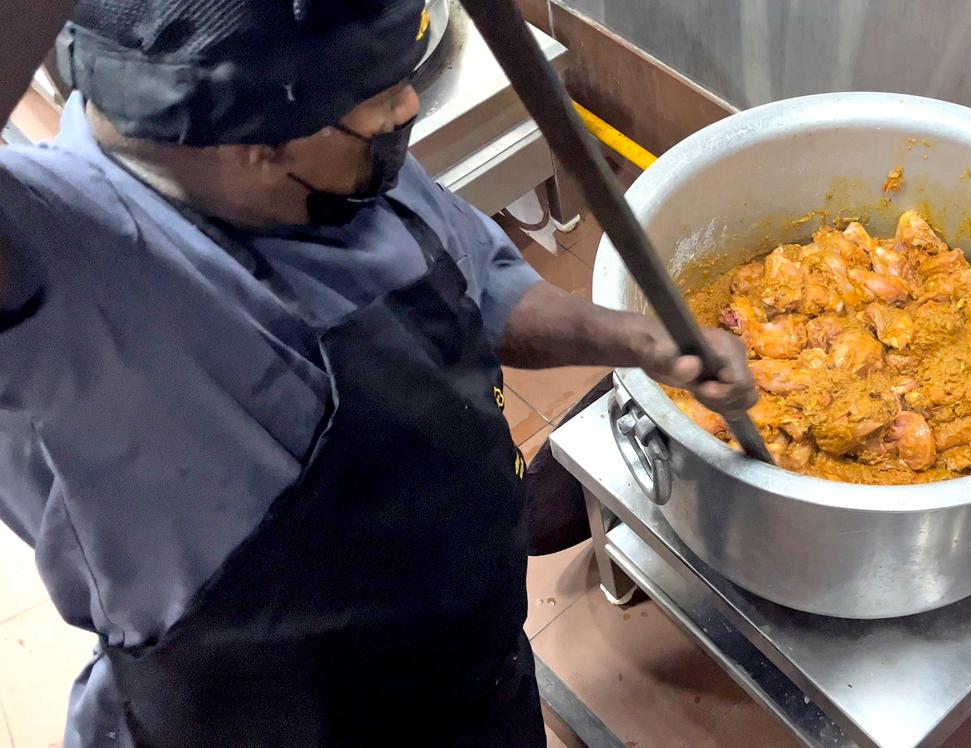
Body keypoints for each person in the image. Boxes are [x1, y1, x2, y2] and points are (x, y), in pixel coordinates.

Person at [0, 1, 756, 745]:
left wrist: (645, 343)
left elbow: (483, 289)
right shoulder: (76, 272)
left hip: (469, 670)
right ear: (255, 146)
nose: (409, 108)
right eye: (380, 102)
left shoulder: (333, 171)